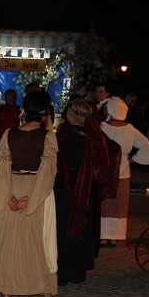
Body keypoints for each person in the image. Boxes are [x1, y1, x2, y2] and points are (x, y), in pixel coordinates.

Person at [0, 91, 59, 297]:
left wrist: (7, 194)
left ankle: (8, 287)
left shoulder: (10, 133)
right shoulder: (48, 136)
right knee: (39, 239)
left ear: (24, 111)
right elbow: (48, 170)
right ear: (45, 112)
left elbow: (2, 165)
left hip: (13, 184)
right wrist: (32, 197)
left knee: (10, 237)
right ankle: (45, 287)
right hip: (37, 187)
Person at [56, 98, 119, 286]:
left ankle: (64, 271)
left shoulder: (65, 134)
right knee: (81, 228)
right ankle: (78, 271)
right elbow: (111, 154)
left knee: (65, 229)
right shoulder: (95, 137)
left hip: (67, 190)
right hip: (86, 191)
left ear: (71, 114)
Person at [99, 97, 149, 246]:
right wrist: (131, 159)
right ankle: (114, 236)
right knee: (119, 202)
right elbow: (146, 145)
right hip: (122, 168)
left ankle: (103, 235)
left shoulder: (102, 126)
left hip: (106, 168)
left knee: (105, 201)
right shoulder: (129, 129)